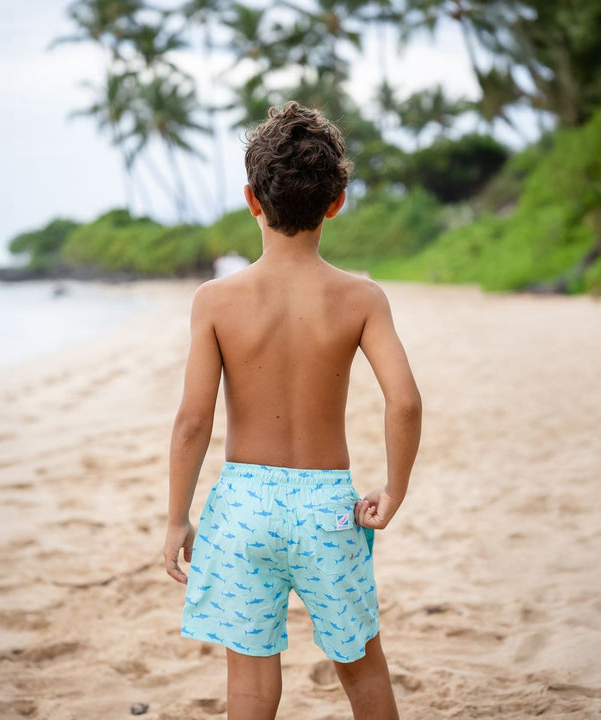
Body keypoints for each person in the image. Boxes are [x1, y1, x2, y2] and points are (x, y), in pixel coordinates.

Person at [164, 101, 422, 720]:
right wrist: (394, 488)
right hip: (328, 508)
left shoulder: (216, 300)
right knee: (361, 668)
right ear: (335, 203)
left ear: (252, 199)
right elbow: (405, 400)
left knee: (249, 681)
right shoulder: (360, 297)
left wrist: (177, 519)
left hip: (241, 509)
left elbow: (193, 422)